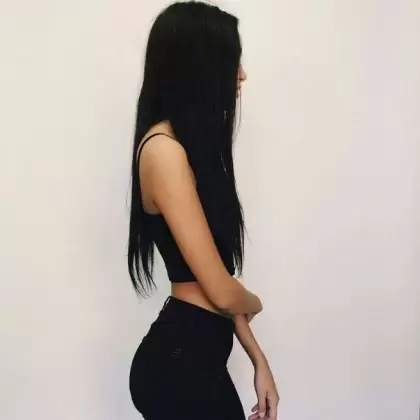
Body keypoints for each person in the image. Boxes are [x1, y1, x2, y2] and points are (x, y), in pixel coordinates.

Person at [127, 2, 279, 419]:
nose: (241, 74)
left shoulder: (188, 150)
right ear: (199, 65)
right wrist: (255, 301)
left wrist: (259, 361)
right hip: (177, 365)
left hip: (198, 359)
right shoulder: (163, 151)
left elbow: (218, 281)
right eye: (232, 61)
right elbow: (221, 290)